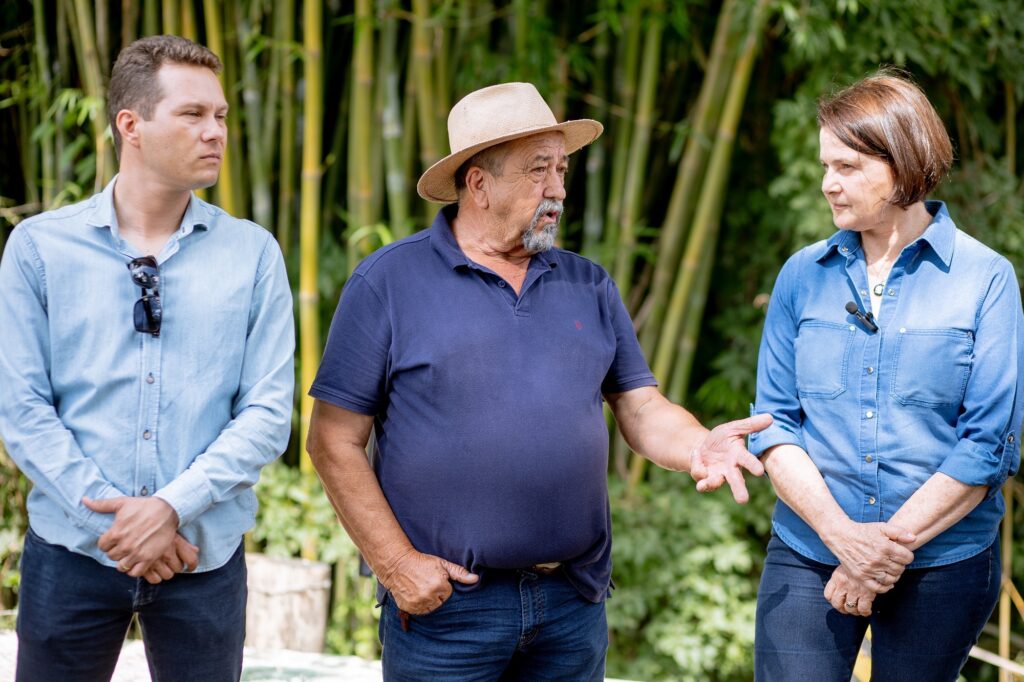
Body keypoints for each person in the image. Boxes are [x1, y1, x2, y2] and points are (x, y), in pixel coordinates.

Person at [306, 81, 771, 680]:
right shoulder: (388, 284)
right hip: (448, 612)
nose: (558, 188)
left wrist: (698, 445)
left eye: (561, 168)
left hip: (570, 606)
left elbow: (640, 406)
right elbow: (332, 441)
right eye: (537, 170)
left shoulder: (589, 283)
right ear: (478, 184)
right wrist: (395, 566)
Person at [0, 35, 294, 680]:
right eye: (192, 114)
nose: (215, 132)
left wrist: (168, 509)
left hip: (201, 556)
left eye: (220, 116)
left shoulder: (253, 253)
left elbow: (268, 414)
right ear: (130, 125)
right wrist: (118, 523)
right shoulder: (39, 249)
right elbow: (21, 408)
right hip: (73, 553)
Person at [750, 69, 1024, 680]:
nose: (828, 184)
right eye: (825, 166)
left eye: (847, 167)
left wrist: (877, 554)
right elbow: (774, 425)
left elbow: (987, 447)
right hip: (810, 550)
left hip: (944, 558)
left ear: (902, 164)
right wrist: (843, 539)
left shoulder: (986, 280)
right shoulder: (801, 275)